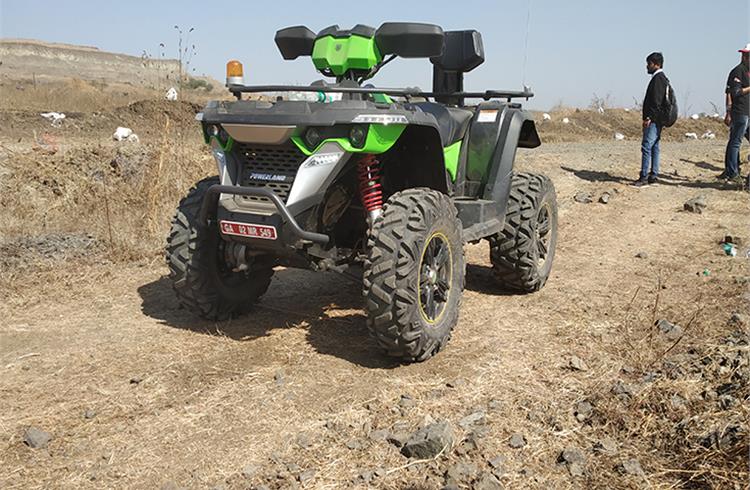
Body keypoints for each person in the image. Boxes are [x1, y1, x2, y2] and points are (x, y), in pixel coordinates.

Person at [635, 52, 668, 187]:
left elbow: (656, 101)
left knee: (647, 146)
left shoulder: (658, 79)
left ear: (656, 64)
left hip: (654, 120)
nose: (647, 67)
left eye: (649, 64)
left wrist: (649, 117)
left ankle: (644, 176)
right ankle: (653, 175)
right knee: (654, 146)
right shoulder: (660, 78)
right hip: (657, 119)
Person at [722, 44, 750, 183]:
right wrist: (728, 112)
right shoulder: (738, 71)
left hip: (748, 112)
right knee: (735, 142)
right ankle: (732, 172)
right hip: (740, 112)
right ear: (745, 56)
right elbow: (735, 92)